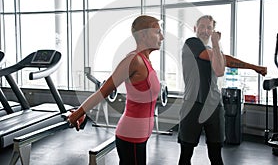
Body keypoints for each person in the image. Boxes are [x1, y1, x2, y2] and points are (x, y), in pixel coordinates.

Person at [68, 15, 164, 165]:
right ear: (143, 35)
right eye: (157, 32)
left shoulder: (146, 61)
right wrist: (77, 114)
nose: (162, 37)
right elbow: (103, 91)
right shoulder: (133, 60)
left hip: (140, 136)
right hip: (131, 135)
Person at [177, 15, 267, 165]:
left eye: (209, 28)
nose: (205, 31)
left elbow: (223, 65)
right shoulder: (191, 43)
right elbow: (217, 59)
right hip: (193, 105)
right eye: (202, 27)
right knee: (186, 154)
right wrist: (216, 43)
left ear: (213, 30)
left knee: (216, 154)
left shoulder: (214, 50)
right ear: (195, 28)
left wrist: (254, 68)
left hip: (214, 105)